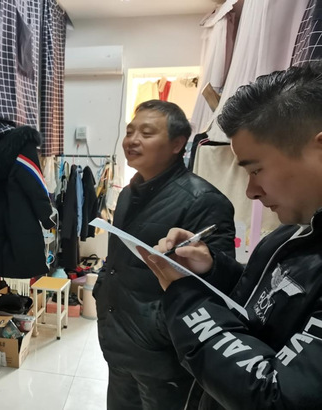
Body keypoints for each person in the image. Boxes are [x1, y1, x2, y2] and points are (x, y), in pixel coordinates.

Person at [139, 62, 322, 410]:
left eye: (256, 170)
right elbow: (267, 303)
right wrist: (211, 269)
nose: (251, 191)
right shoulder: (291, 232)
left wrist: (184, 297)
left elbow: (277, 396)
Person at [92, 100, 236, 410]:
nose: (132, 140)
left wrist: (159, 328)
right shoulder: (129, 193)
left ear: (177, 144)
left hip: (165, 357)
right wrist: (101, 289)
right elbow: (117, 259)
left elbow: (218, 286)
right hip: (118, 342)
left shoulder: (203, 201)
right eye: (130, 131)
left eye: (146, 133)